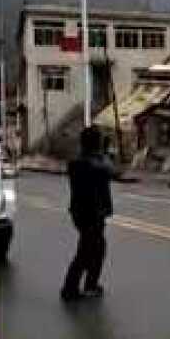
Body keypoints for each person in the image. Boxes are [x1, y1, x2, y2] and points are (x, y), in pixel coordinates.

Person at [61, 126, 117, 301]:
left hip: (82, 213)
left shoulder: (77, 162)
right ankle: (71, 288)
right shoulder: (91, 164)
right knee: (87, 251)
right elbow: (109, 170)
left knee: (95, 248)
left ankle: (89, 285)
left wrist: (102, 153)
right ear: (95, 144)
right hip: (91, 214)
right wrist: (105, 153)